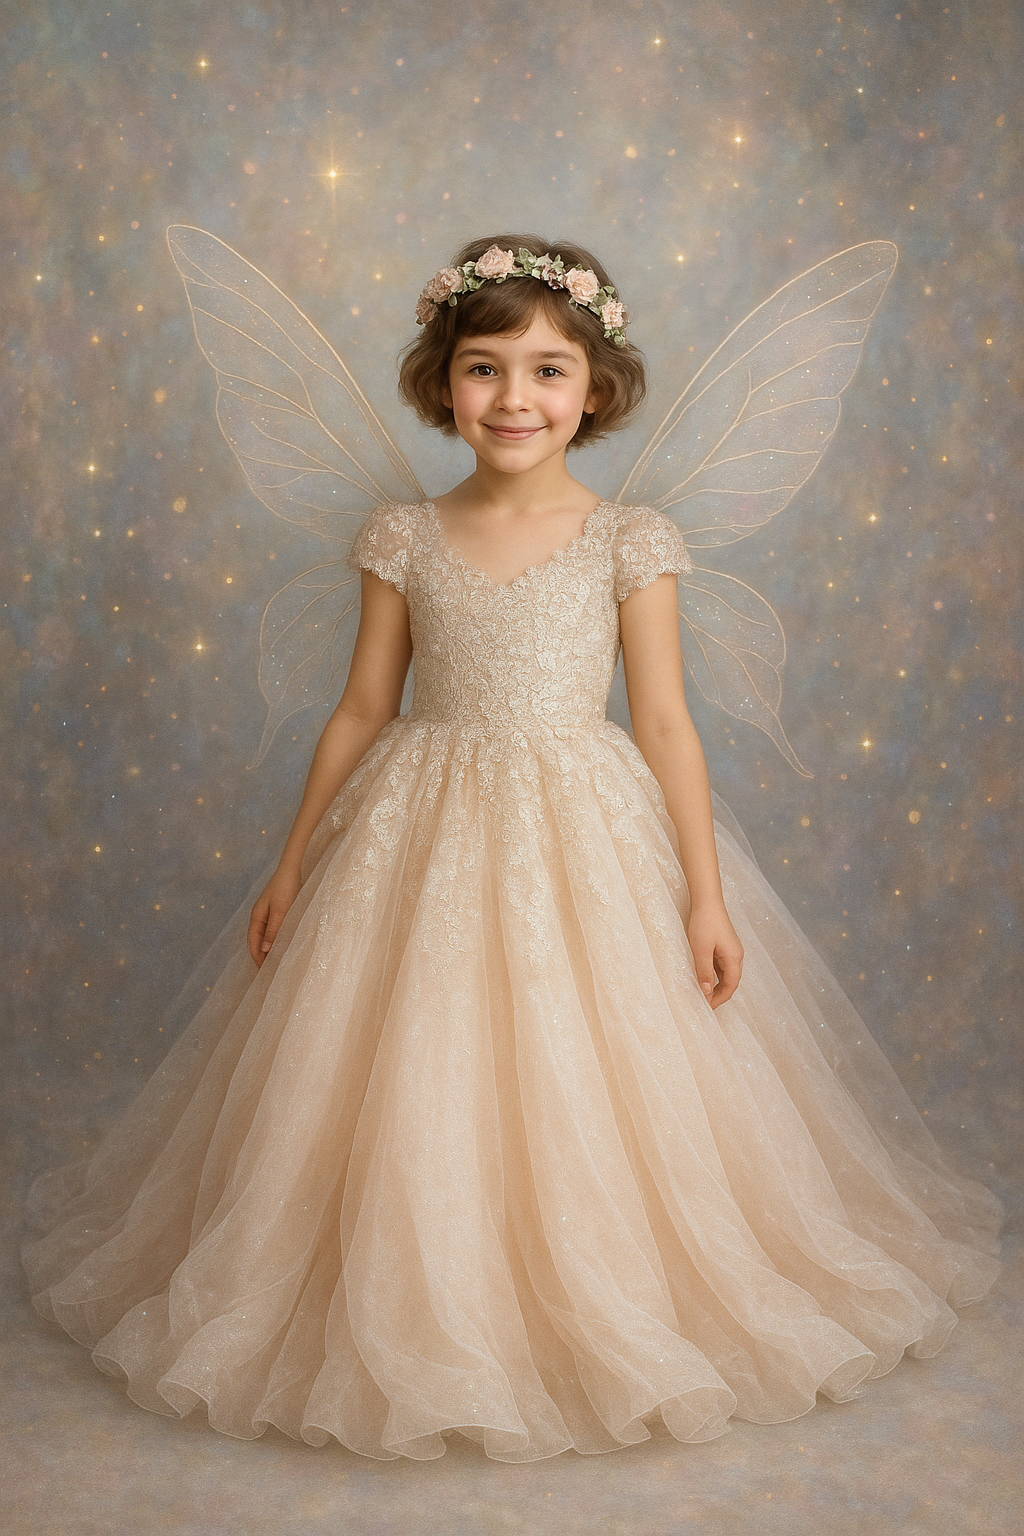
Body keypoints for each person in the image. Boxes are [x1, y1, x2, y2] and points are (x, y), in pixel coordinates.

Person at [23, 235, 1001, 1464]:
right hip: (414, 827)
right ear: (443, 384)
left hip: (582, 827)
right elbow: (361, 708)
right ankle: (422, 1293)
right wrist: (288, 865)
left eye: (547, 370)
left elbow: (663, 724)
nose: (515, 398)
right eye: (485, 370)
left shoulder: (627, 540)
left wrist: (704, 897)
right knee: (413, 1058)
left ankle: (582, 1293)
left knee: (583, 1058)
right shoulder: (403, 534)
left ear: (595, 388)